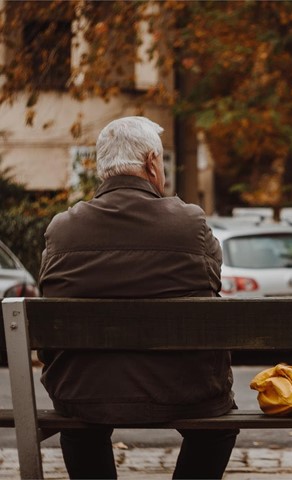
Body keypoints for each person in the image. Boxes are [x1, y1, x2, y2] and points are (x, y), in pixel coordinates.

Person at [38, 116, 237, 479]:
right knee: (216, 429)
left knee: (79, 426)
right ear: (150, 163)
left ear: (102, 169)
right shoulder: (190, 224)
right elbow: (211, 284)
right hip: (184, 389)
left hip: (85, 393)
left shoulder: (62, 229)